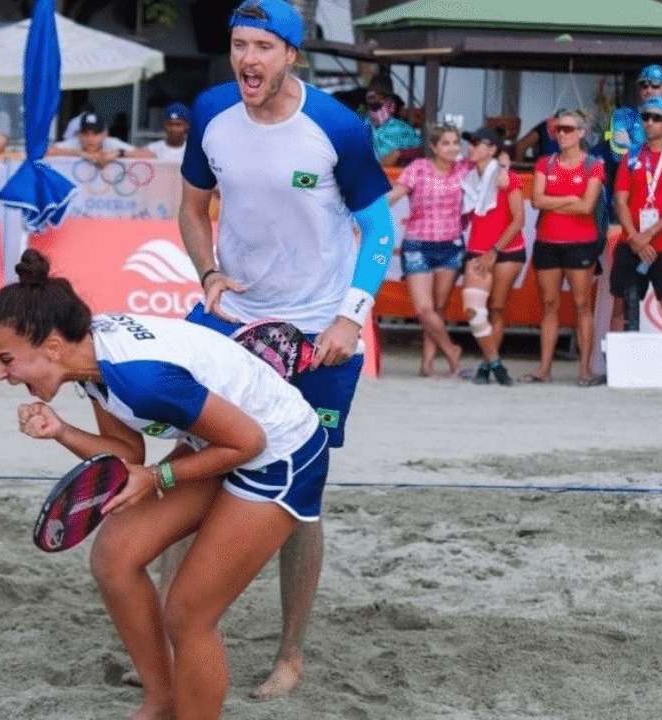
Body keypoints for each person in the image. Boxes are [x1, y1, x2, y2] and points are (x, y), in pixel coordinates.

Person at [0, 248, 329, 720]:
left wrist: (160, 476)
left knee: (188, 614)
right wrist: (61, 431)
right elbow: (127, 455)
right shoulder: (90, 361)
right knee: (114, 556)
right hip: (220, 440)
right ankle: (163, 698)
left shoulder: (139, 377)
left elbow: (248, 442)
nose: (0, 374)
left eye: (5, 360)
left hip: (279, 455)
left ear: (53, 347)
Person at [178, 0, 395, 699]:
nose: (248, 59)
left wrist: (349, 318)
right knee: (185, 467)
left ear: (290, 56)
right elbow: (189, 205)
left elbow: (380, 230)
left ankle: (290, 655)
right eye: (240, 45)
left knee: (301, 497)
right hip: (232, 318)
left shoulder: (336, 127)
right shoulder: (213, 110)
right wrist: (208, 271)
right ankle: (170, 638)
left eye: (263, 47)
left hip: (317, 332)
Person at [608, 96, 662, 386]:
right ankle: (616, 370)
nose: (650, 122)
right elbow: (620, 200)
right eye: (646, 117)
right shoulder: (632, 156)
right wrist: (635, 237)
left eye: (657, 118)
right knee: (620, 305)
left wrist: (650, 233)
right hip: (631, 243)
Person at [526, 109, 605, 386]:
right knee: (549, 305)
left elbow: (586, 206)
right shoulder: (545, 163)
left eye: (568, 129)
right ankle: (544, 368)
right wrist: (570, 198)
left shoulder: (593, 165)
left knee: (582, 305)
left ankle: (584, 369)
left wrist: (555, 200)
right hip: (548, 242)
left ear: (582, 132)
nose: (561, 134)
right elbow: (536, 201)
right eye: (558, 129)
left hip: (581, 244)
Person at [386, 123, 469, 377]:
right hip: (418, 244)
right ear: (433, 147)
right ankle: (452, 350)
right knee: (423, 309)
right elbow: (395, 195)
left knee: (438, 309)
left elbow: (494, 157)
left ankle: (428, 364)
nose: (452, 148)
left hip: (450, 245)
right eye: (445, 143)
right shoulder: (418, 168)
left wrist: (505, 161)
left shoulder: (465, 168)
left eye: (455, 142)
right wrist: (366, 212)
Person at [460, 128, 522, 386]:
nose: (471, 147)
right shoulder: (468, 174)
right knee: (474, 310)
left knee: (496, 309)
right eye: (471, 142)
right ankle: (495, 362)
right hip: (477, 248)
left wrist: (494, 251)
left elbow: (519, 220)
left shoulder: (508, 178)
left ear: (492, 150)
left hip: (507, 249)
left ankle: (486, 366)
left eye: (477, 143)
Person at [47, 110, 155, 164]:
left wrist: (119, 153)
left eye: (96, 133)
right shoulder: (75, 143)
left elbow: (150, 155)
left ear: (105, 134)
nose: (90, 138)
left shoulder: (111, 143)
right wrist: (80, 153)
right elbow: (44, 151)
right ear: (79, 135)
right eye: (85, 133)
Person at [365, 83, 420, 166]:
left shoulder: (404, 129)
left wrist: (399, 154)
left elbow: (419, 152)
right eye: (372, 105)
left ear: (390, 105)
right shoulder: (359, 127)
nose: (375, 110)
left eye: (379, 105)